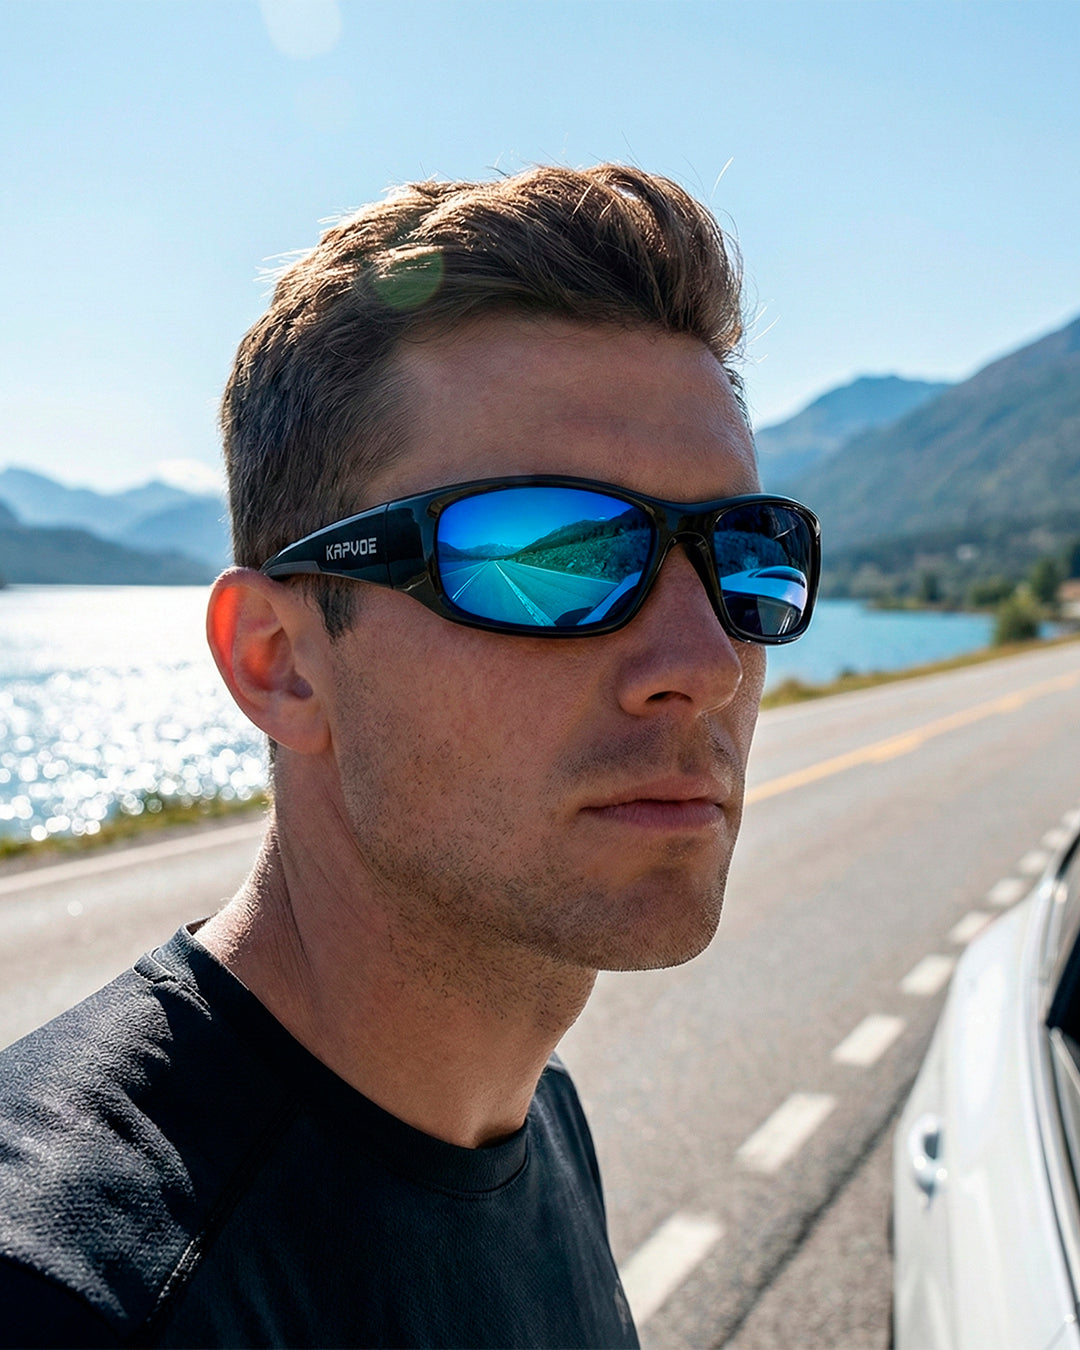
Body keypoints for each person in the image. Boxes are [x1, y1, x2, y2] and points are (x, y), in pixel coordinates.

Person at [0, 165, 820, 1348]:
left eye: (746, 554)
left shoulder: (534, 1122)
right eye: (547, 556)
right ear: (280, 662)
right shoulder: (63, 1296)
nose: (707, 661)